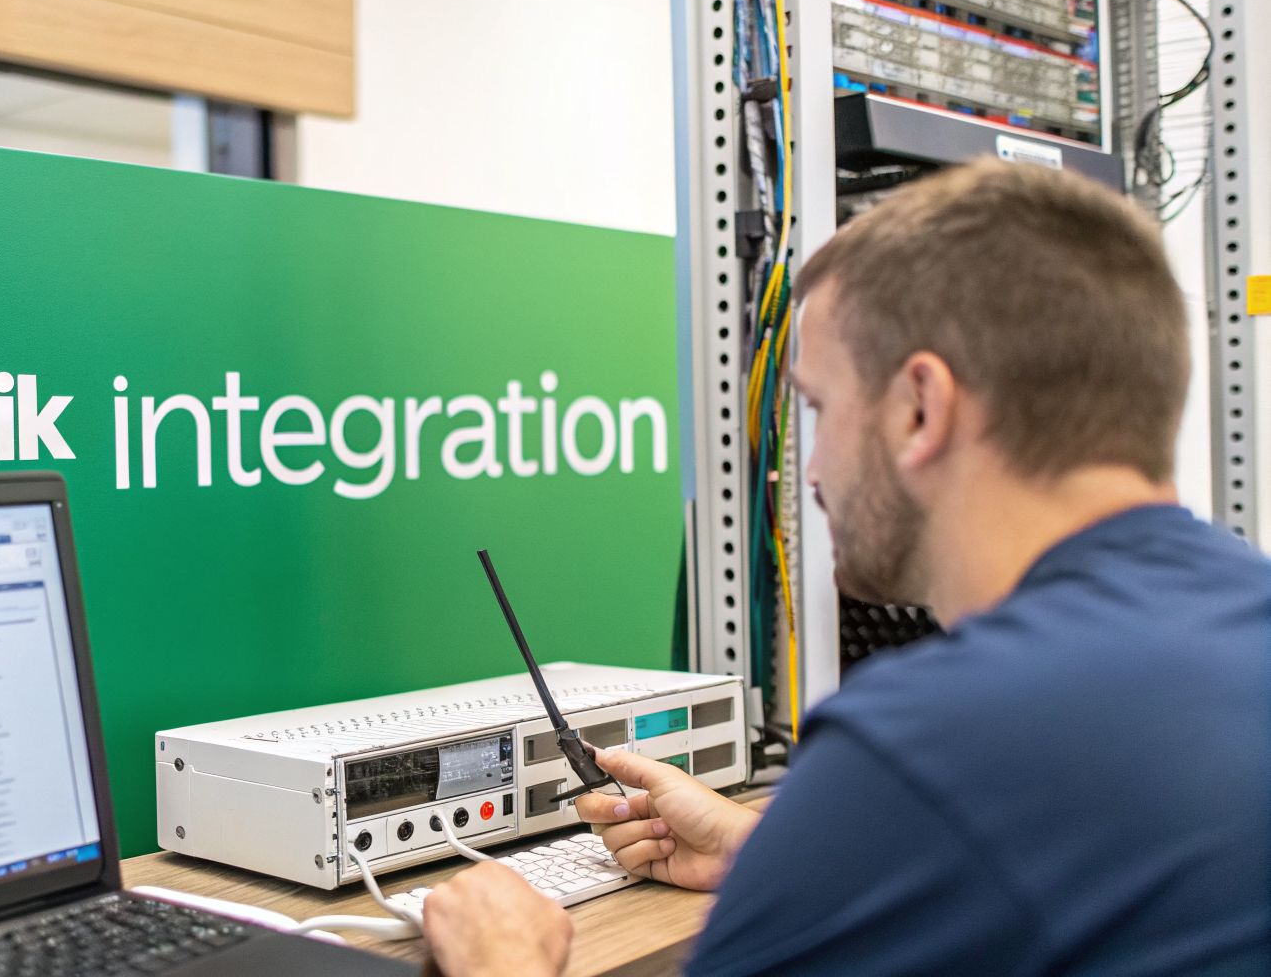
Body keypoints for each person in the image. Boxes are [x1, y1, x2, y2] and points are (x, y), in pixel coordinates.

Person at [420, 159, 1271, 976]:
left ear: (919, 408)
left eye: (820, 409)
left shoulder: (924, 746)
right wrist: (787, 854)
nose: (812, 469)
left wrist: (503, 961)